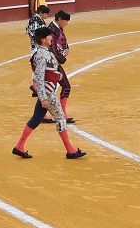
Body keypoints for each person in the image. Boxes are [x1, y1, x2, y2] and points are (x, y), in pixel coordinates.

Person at [11, 26, 85, 160]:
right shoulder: (42, 55)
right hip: (48, 93)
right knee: (61, 119)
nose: (52, 38)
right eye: (49, 37)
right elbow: (38, 77)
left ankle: (19, 146)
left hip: (46, 92)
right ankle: (70, 150)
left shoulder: (42, 52)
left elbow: (47, 73)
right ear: (44, 39)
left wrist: (57, 76)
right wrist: (44, 98)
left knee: (36, 119)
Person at [47, 10, 75, 124]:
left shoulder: (56, 28)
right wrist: (62, 58)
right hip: (51, 63)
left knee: (48, 89)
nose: (66, 23)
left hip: (53, 62)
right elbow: (53, 49)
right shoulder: (52, 30)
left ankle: (43, 115)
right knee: (65, 86)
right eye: (65, 21)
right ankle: (62, 114)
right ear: (59, 19)